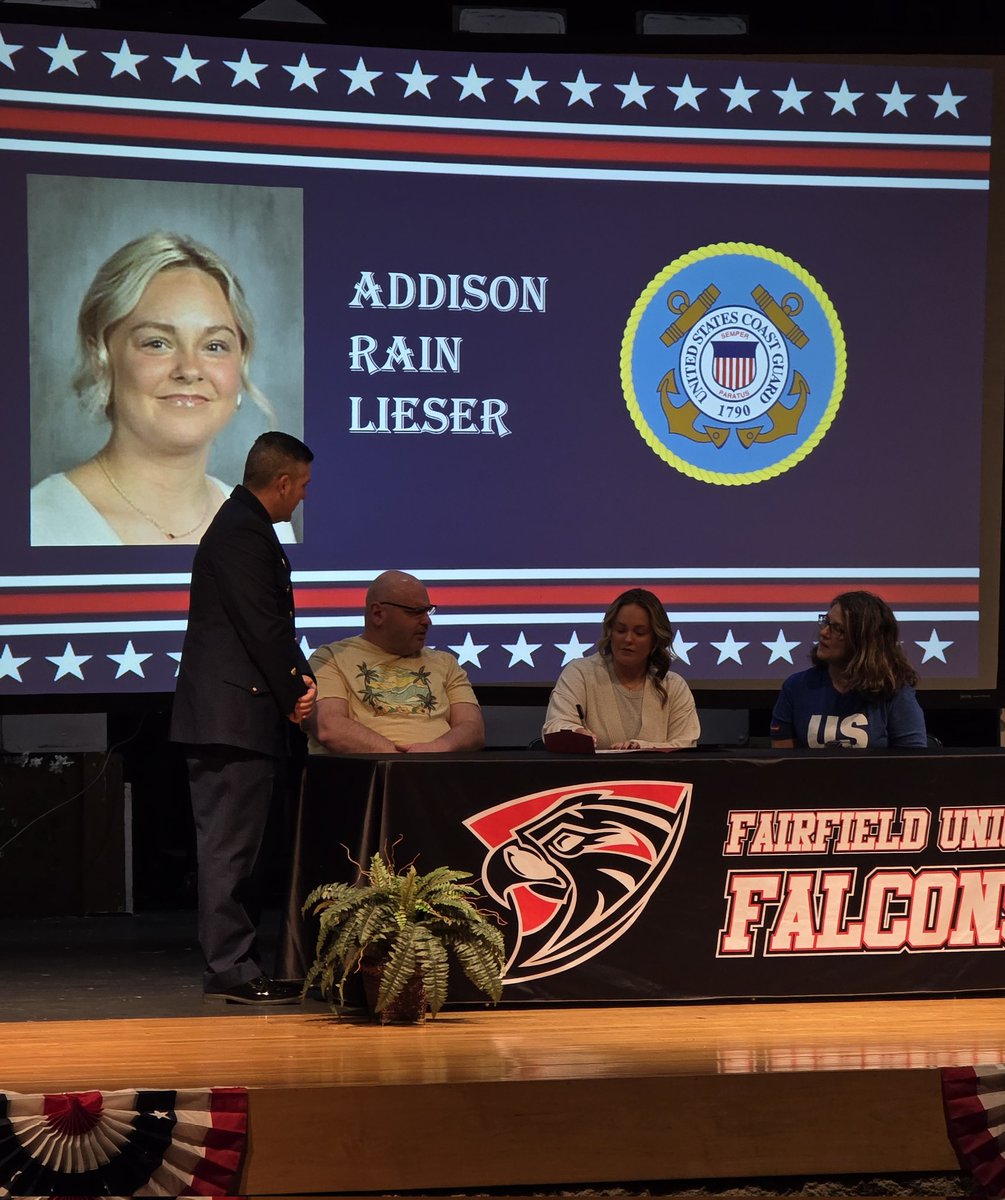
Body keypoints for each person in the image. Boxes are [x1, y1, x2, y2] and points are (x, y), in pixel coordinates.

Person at [30, 231, 296, 545]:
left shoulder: (270, 526)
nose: (190, 370)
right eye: (157, 343)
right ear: (99, 357)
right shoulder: (39, 524)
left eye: (214, 345)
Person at [170, 431, 316, 1005]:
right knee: (229, 849)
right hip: (231, 716)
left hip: (240, 714)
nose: (303, 497)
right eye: (302, 486)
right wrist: (293, 692)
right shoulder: (242, 533)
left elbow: (268, 626)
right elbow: (263, 624)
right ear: (281, 482)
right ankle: (230, 966)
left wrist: (297, 684)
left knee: (243, 848)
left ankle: (240, 961)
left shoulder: (245, 528)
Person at [307, 570, 485, 754]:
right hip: (368, 776)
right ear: (378, 614)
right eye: (415, 612)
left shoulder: (446, 663)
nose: (427, 621)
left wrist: (436, 750)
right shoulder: (329, 658)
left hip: (440, 772)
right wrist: (403, 763)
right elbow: (329, 727)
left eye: (427, 611)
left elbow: (473, 728)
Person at [542, 587, 700, 751]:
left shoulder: (673, 685)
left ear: (655, 638)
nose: (628, 639)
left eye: (639, 633)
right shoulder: (580, 673)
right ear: (610, 632)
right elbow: (554, 725)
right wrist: (576, 733)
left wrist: (640, 748)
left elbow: (685, 744)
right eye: (620, 630)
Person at [770, 590, 927, 749]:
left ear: (863, 642)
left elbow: (913, 764)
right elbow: (783, 764)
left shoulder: (894, 693)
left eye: (838, 629)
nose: (824, 632)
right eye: (826, 622)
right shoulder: (796, 687)